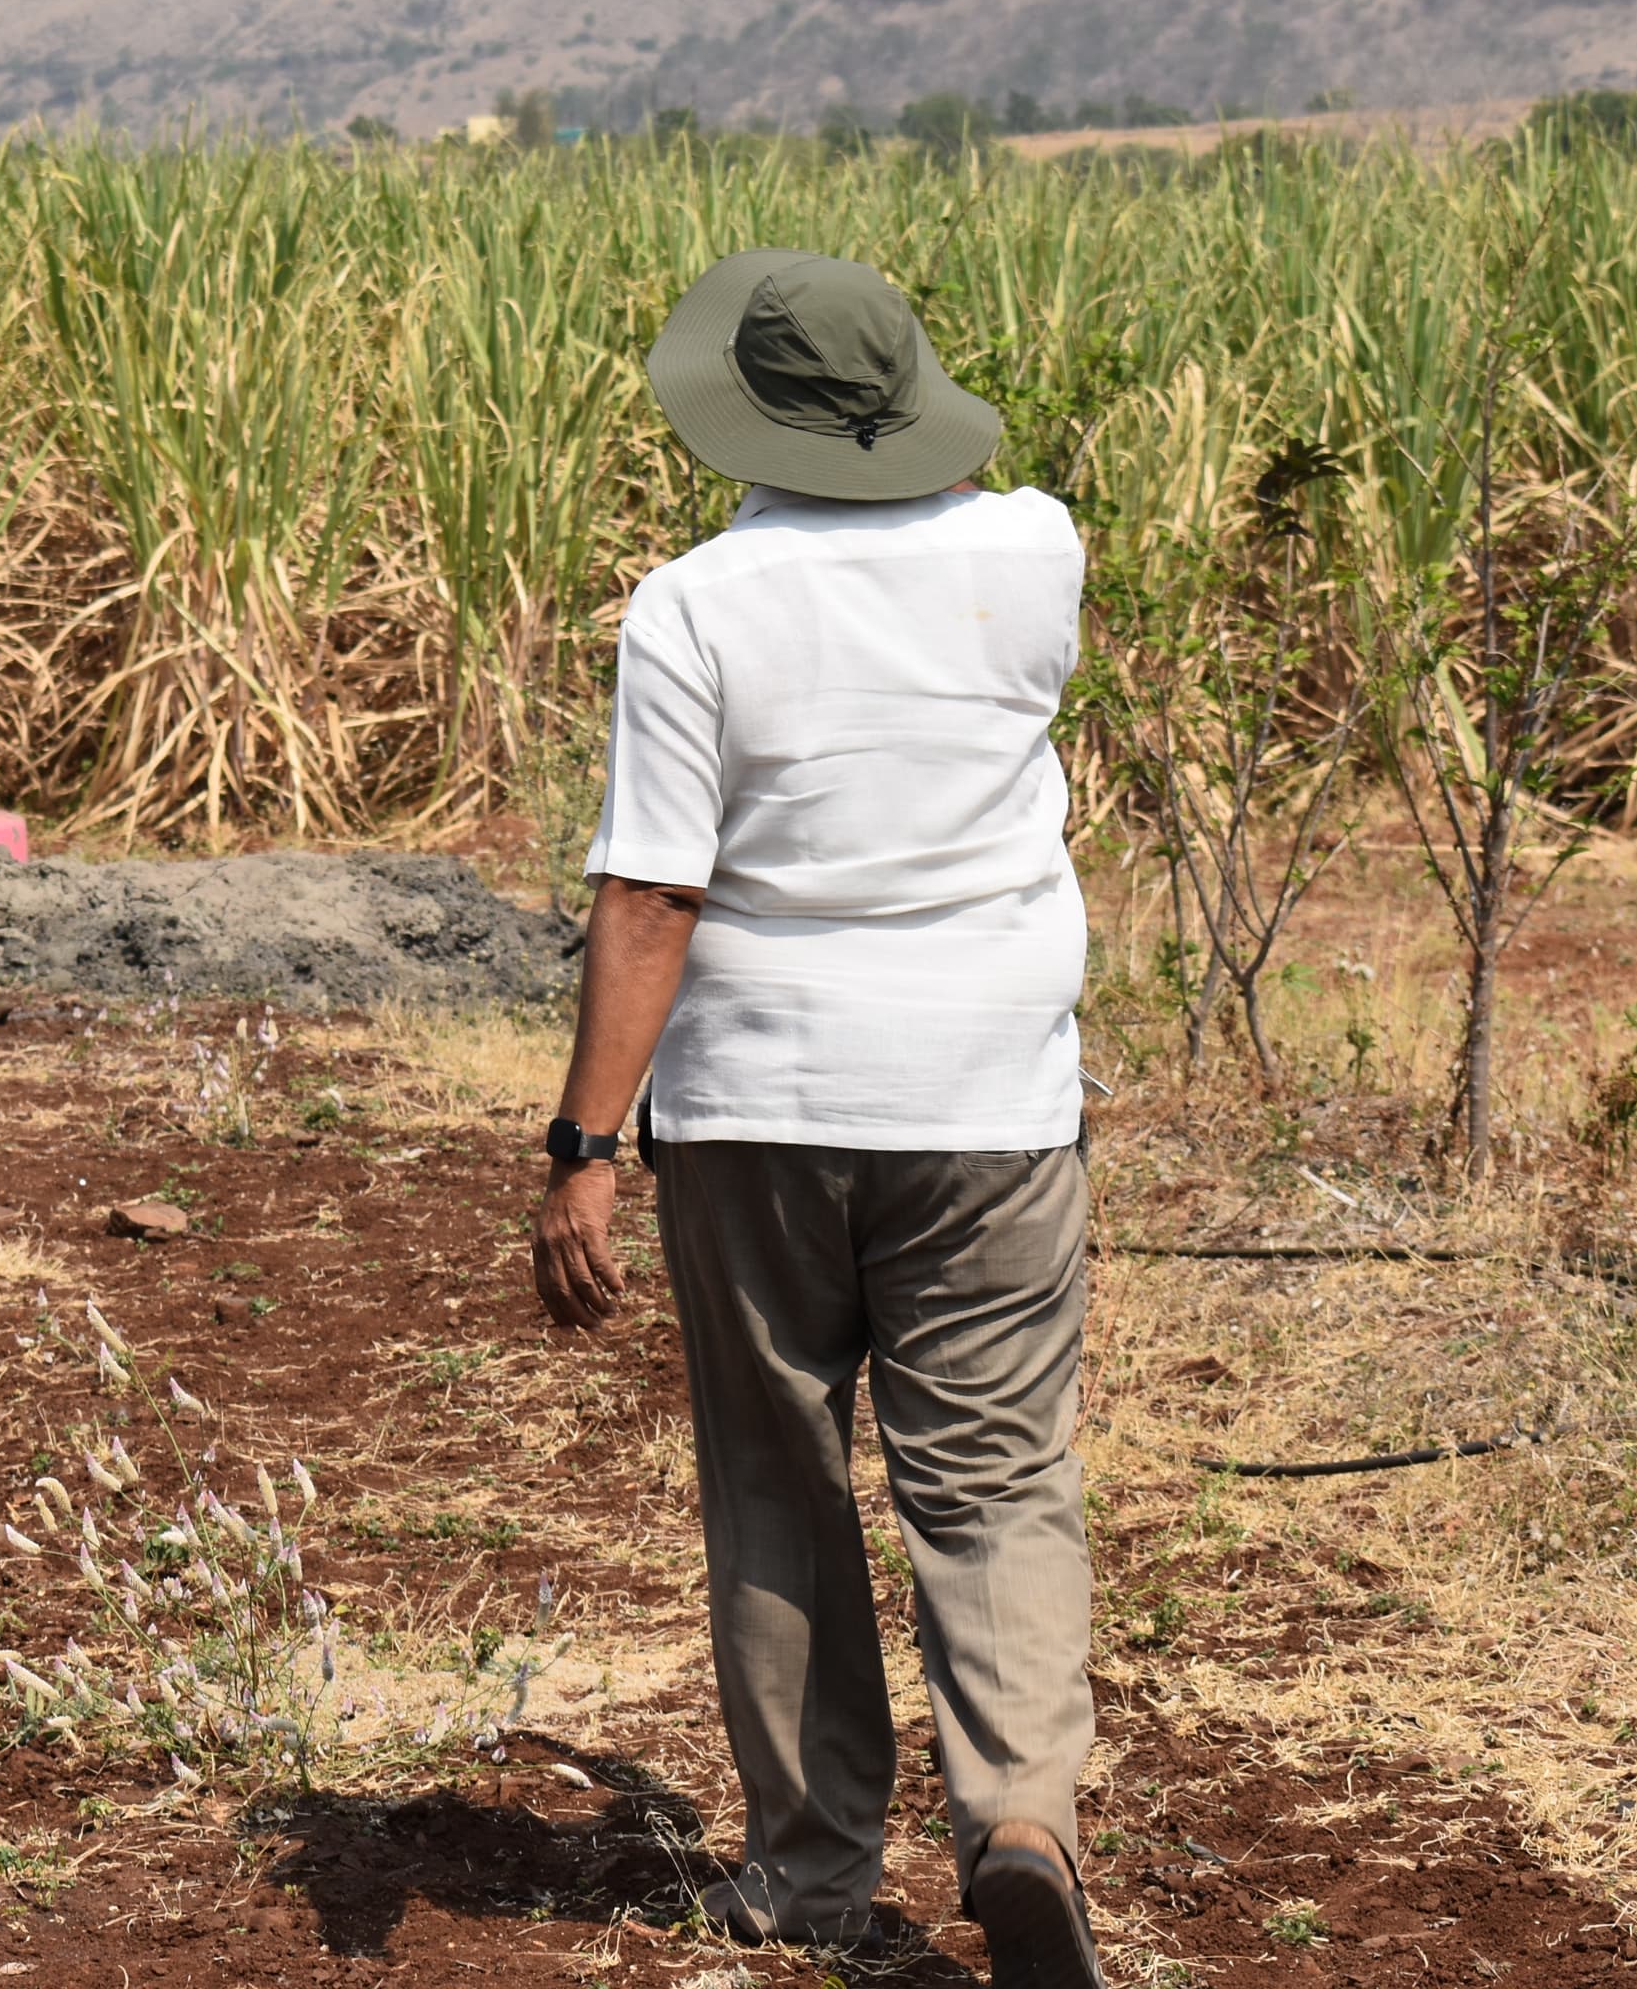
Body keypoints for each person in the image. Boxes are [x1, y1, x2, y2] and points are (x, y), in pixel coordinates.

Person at [529, 250, 1102, 1986]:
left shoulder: (695, 604)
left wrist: (582, 1150)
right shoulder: (1037, 547)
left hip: (763, 1104)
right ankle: (1017, 1816)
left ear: (744, 416)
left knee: (782, 1474)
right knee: (995, 1473)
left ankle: (809, 1869)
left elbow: (652, 900)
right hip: (993, 1095)